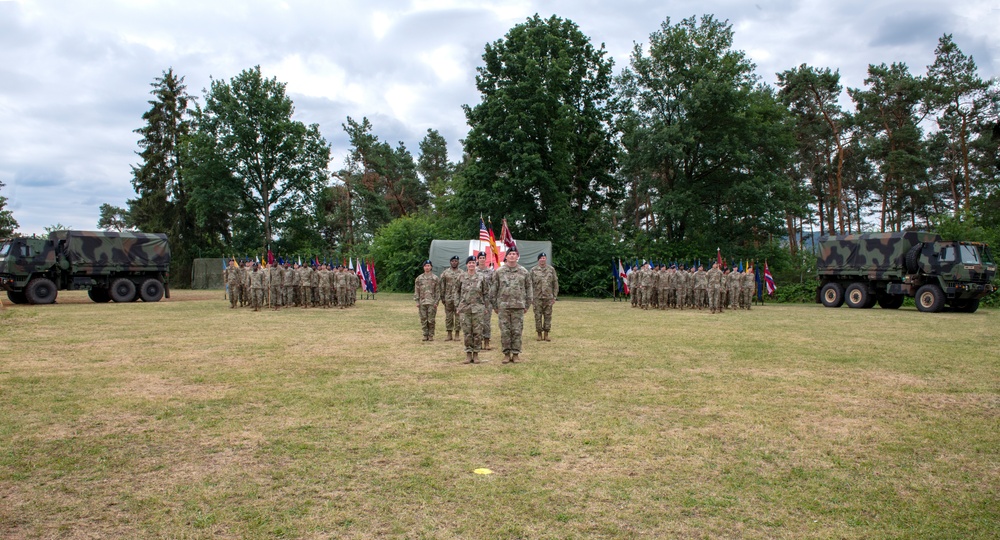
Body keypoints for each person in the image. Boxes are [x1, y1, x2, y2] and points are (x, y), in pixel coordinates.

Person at [490, 248, 533, 363]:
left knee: (517, 331)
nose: (512, 256)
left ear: (517, 256)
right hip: (503, 307)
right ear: (506, 256)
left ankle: (515, 354)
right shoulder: (499, 271)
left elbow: (529, 289)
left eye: (514, 254)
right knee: (505, 331)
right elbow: (494, 289)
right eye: (510, 254)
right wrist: (495, 305)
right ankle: (506, 353)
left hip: (518, 306)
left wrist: (527, 305)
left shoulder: (524, 272)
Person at [456, 255, 489, 363]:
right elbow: (456, 292)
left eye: (473, 263)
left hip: (478, 308)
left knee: (477, 332)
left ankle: (476, 354)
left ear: (476, 264)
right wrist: (458, 306)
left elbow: (485, 292)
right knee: (467, 332)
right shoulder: (461, 277)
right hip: (465, 309)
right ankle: (468, 354)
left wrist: (485, 306)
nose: (471, 265)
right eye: (469, 263)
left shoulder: (481, 277)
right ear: (466, 265)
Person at [530, 252, 558, 341]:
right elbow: (529, 284)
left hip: (548, 297)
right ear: (538, 260)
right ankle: (539, 334)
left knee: (548, 316)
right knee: (537, 316)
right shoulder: (533, 270)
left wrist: (554, 296)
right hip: (537, 297)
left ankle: (546, 333)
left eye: (544, 258)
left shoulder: (551, 269)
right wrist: (531, 297)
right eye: (541, 258)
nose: (543, 259)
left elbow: (555, 283)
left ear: (546, 259)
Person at [414, 260, 441, 341]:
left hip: (432, 302)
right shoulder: (419, 278)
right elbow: (416, 290)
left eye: (428, 266)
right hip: (422, 302)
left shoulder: (435, 278)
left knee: (431, 320)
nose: (427, 267)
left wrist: (436, 302)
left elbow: (438, 291)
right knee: (423, 319)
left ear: (431, 267)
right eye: (425, 266)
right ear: (423, 267)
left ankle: (431, 335)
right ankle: (425, 335)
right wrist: (417, 301)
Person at [439, 255, 463, 341]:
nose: (454, 262)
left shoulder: (462, 273)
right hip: (448, 297)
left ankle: (457, 334)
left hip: (458, 298)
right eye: (452, 261)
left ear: (458, 262)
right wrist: (442, 297)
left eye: (456, 261)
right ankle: (449, 334)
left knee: (458, 316)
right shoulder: (445, 273)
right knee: (448, 316)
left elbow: (463, 287)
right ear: (450, 262)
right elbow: (442, 286)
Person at [476, 251, 495, 350]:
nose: (482, 259)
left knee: (486, 322)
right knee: (477, 322)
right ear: (478, 259)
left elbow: (494, 285)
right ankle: (478, 342)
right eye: (480, 258)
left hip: (487, 300)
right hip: (477, 300)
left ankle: (487, 342)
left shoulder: (490, 272)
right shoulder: (474, 271)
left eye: (484, 258)